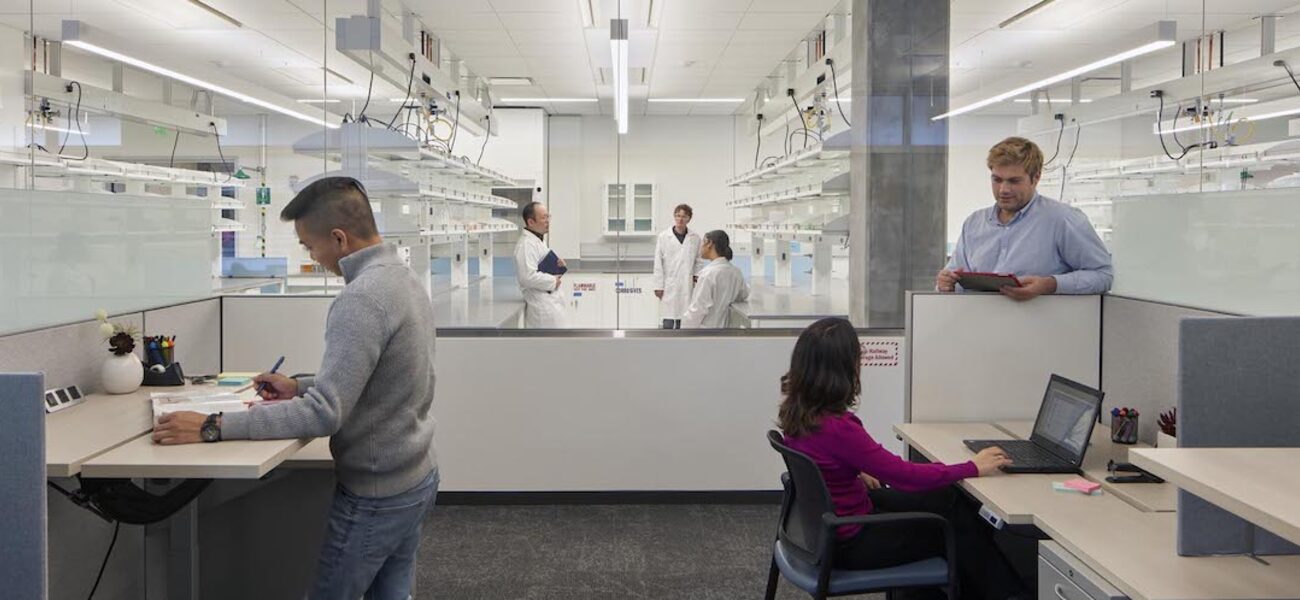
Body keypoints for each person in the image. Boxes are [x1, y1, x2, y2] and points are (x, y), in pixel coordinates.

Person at [151, 176, 439, 600]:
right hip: (414, 475)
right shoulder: (402, 277)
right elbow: (384, 377)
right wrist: (300, 386)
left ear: (339, 239)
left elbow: (324, 415)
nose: (311, 255)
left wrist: (212, 425)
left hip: (376, 492)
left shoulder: (362, 297)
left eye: (309, 245)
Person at [779, 318, 1027, 600]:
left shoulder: (798, 414)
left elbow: (822, 463)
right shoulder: (839, 429)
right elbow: (904, 477)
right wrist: (973, 467)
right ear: (843, 369)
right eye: (857, 358)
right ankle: (1009, 595)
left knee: (948, 499)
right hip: (851, 542)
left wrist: (854, 471)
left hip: (832, 528)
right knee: (954, 530)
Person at [937, 136, 1113, 301]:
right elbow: (955, 278)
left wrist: (1051, 285)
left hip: (1039, 328)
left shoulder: (1062, 220)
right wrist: (946, 284)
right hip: (980, 326)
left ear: (1036, 178)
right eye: (997, 180)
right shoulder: (974, 224)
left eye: (1014, 181)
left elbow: (1102, 276)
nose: (1003, 189)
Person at [514, 201, 568, 328]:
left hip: (550, 302)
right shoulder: (526, 245)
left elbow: (540, 266)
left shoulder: (537, 240)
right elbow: (527, 277)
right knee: (548, 346)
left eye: (548, 216)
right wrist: (553, 281)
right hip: (542, 308)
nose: (548, 221)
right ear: (531, 222)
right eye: (543, 217)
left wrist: (557, 266)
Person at [682, 230, 748, 329]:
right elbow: (743, 295)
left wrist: (684, 330)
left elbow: (698, 309)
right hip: (726, 330)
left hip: (706, 332)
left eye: (702, 243)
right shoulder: (736, 272)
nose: (701, 248)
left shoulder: (708, 274)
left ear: (710, 244)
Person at [652, 204, 704, 329]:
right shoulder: (664, 237)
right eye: (678, 216)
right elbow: (658, 262)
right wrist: (658, 285)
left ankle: (683, 344)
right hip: (669, 282)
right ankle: (667, 343)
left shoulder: (695, 238)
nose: (680, 219)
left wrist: (696, 277)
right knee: (668, 317)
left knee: (685, 317)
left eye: (684, 216)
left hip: (687, 283)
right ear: (674, 217)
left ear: (689, 219)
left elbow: (699, 260)